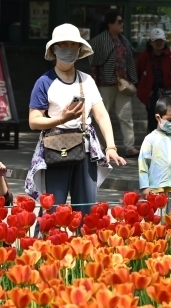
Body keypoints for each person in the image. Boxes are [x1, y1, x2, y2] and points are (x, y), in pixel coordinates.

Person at [25, 23, 126, 213]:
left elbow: (101, 114)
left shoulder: (87, 80)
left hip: (85, 150)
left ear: (80, 50)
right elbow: (34, 120)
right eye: (63, 45)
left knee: (86, 210)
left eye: (73, 45)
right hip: (55, 150)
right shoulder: (44, 82)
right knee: (54, 211)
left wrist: (110, 146)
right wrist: (60, 120)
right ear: (54, 49)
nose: (69, 50)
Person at [88, 11, 139, 158]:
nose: (122, 24)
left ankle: (130, 147)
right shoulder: (98, 41)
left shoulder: (124, 41)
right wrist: (93, 84)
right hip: (105, 84)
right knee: (101, 116)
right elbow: (93, 64)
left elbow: (129, 61)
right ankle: (100, 146)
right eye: (119, 22)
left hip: (122, 84)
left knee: (126, 115)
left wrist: (129, 78)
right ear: (110, 25)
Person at [138, 95, 171, 213]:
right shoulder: (150, 140)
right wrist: (145, 187)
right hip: (155, 190)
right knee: (156, 222)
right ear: (158, 117)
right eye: (170, 120)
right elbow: (143, 164)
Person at [136, 29, 171, 137]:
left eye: (161, 41)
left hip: (168, 92)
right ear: (150, 42)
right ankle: (153, 143)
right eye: (156, 41)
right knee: (153, 119)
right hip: (152, 94)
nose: (159, 44)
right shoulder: (144, 57)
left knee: (169, 119)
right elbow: (138, 74)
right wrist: (144, 91)